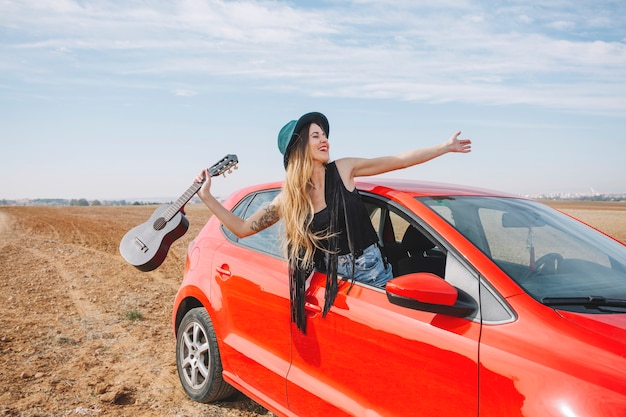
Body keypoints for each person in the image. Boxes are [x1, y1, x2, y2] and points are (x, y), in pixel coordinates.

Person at [195, 112, 471, 332]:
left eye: (324, 134)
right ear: (299, 146)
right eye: (316, 135)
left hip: (374, 279)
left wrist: (445, 147)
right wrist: (206, 196)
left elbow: (397, 161)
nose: (324, 139)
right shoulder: (290, 199)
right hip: (333, 288)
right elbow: (242, 229)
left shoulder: (343, 169)